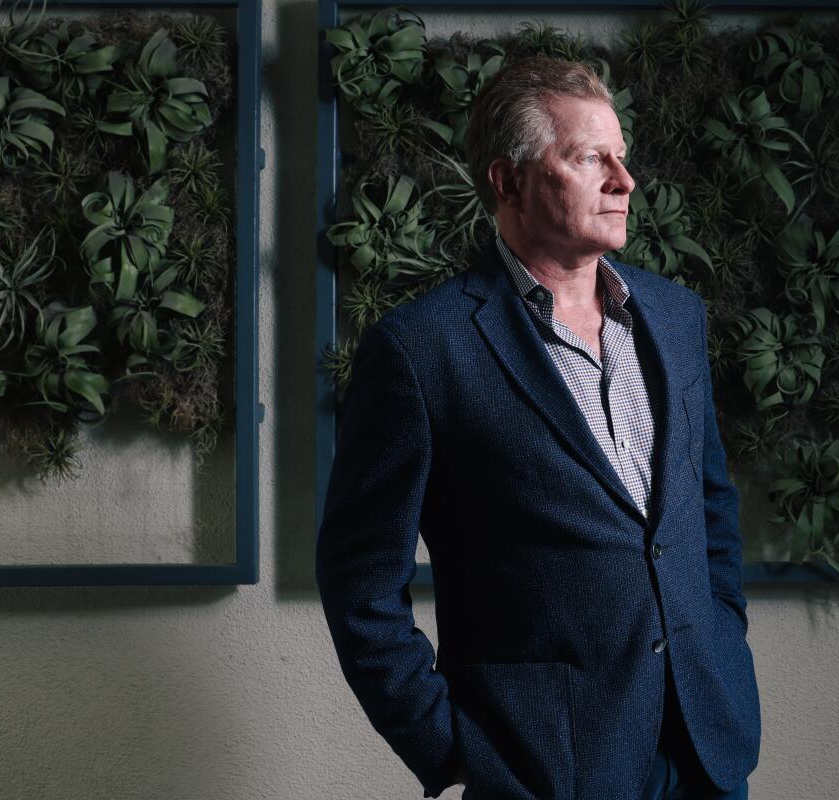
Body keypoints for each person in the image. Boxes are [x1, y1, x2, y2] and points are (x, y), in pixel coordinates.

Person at [316, 56, 759, 800]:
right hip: (546, 766)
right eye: (590, 158)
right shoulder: (422, 350)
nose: (624, 181)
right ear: (508, 179)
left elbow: (708, 509)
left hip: (707, 748)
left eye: (622, 157)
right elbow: (359, 581)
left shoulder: (676, 319)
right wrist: (450, 748)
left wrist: (724, 642)